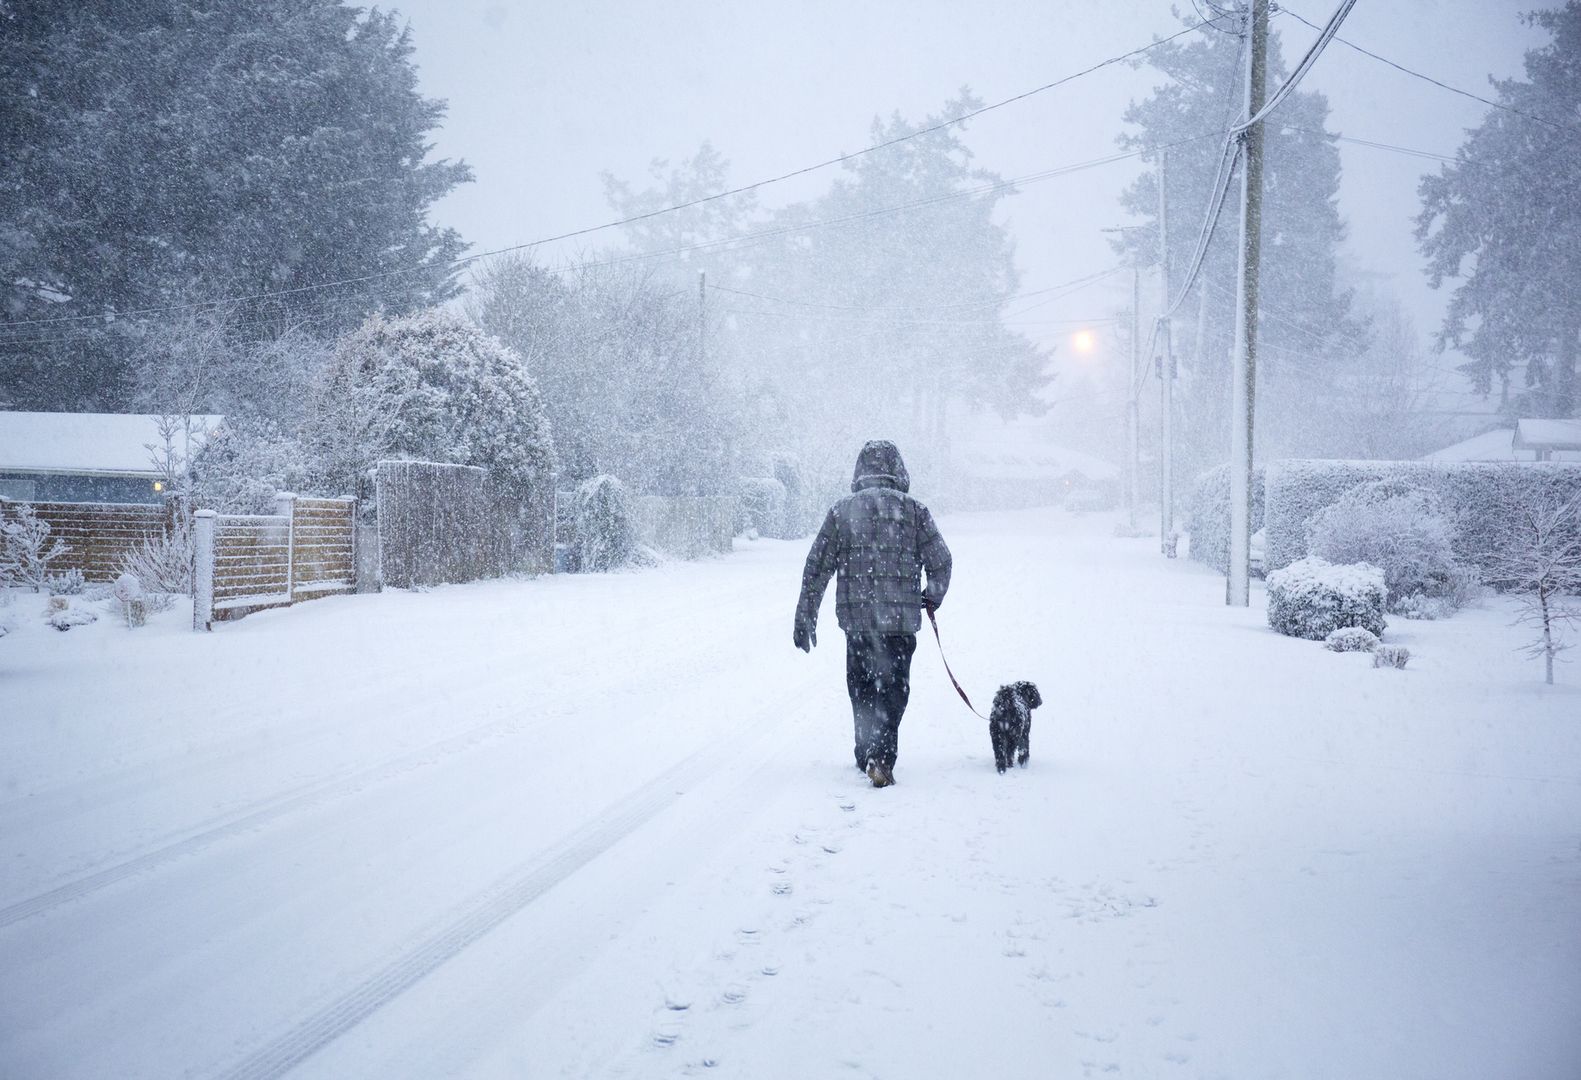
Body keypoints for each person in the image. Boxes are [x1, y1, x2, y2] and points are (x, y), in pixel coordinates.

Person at [793, 440, 951, 788]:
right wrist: (931, 597)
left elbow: (817, 566)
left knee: (861, 686)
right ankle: (880, 756)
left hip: (858, 622)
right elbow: (941, 562)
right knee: (894, 689)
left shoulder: (842, 512)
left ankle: (867, 749)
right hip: (899, 624)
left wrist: (806, 613)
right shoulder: (914, 512)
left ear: (859, 471)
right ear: (899, 470)